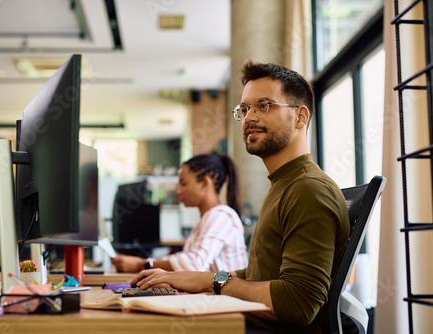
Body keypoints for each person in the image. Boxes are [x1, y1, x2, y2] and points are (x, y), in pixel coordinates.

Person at [131, 61, 350, 334]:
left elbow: (299, 303)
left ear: (300, 117)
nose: (249, 118)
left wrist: (211, 281)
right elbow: (261, 277)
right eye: (244, 109)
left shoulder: (307, 189)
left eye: (264, 105)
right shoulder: (285, 184)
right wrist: (191, 278)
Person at [111, 154, 248, 273]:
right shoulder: (205, 221)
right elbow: (187, 263)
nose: (178, 191)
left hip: (227, 300)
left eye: (183, 184)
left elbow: (194, 264)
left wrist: (141, 265)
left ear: (205, 183)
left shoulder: (222, 215)